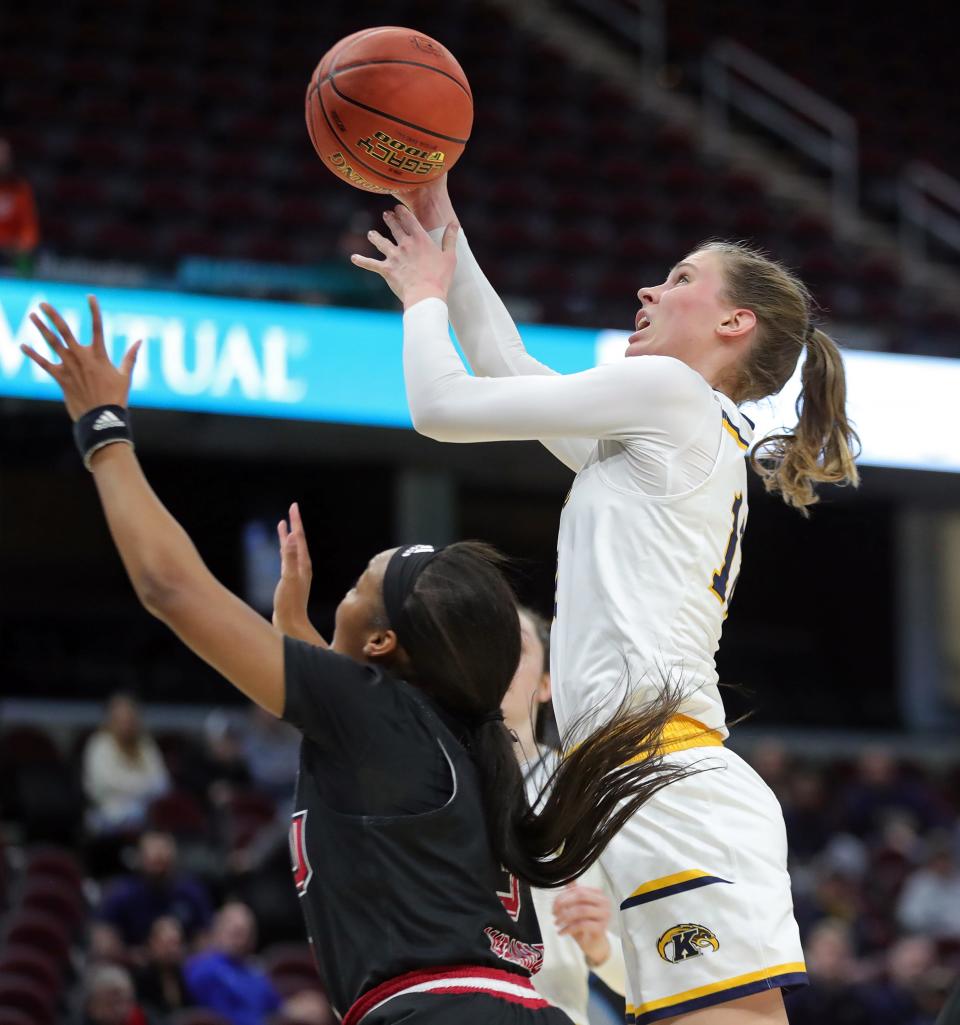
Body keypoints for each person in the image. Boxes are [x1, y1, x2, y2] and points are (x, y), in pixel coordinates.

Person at [23, 298, 693, 1024]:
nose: (342, 592)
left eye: (356, 585)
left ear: (382, 647)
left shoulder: (381, 716)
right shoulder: (460, 741)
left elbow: (170, 587)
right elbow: (357, 735)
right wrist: (294, 628)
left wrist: (103, 430)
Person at [351, 174, 861, 1024]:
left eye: (682, 278)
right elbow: (509, 367)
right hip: (627, 779)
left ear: (736, 323)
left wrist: (420, 298)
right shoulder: (665, 426)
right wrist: (446, 225)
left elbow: (440, 406)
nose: (649, 288)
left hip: (660, 772)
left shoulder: (672, 398)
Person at [503, 606, 626, 1025]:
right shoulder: (433, 781)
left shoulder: (584, 792)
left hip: (554, 1011)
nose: (496, 654)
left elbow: (644, 972)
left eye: (514, 646)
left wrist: (599, 947)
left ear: (545, 685)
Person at [97, 830, 213, 946]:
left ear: (174, 859)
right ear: (140, 859)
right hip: (132, 960)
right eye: (154, 862)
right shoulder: (121, 894)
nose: (159, 869)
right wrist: (143, 956)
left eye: (163, 862)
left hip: (185, 960)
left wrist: (180, 954)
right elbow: (104, 941)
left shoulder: (191, 891)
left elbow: (205, 938)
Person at [83, 692, 171, 835]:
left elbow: (163, 783)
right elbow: (105, 785)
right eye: (120, 719)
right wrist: (144, 786)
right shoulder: (99, 744)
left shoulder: (144, 744)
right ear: (110, 719)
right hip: (109, 816)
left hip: (146, 814)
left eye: (129, 718)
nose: (126, 724)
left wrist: (132, 788)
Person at [184, 901, 283, 1025]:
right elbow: (223, 1018)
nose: (243, 940)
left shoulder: (254, 970)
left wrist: (295, 1010)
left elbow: (277, 1007)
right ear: (218, 930)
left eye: (248, 933)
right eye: (237, 932)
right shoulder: (203, 969)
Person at [133, 915, 190, 1019]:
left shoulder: (183, 976)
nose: (172, 950)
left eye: (176, 944)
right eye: (166, 944)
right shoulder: (140, 979)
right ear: (152, 943)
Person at [0, 138, 39, 273]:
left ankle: (22, 290)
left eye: (4, 156)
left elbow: (28, 227)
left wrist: (24, 245)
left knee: (25, 261)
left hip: (11, 251)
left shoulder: (20, 189)